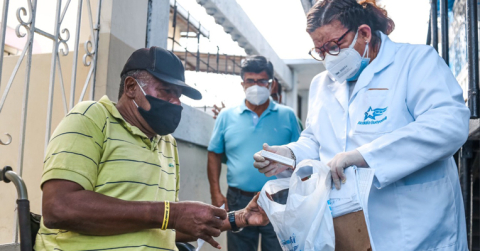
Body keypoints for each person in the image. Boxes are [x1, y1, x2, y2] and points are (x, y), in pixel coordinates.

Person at [253, 0, 469, 250]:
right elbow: (315, 139)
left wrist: (364, 156)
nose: (328, 58)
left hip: (416, 227)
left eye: (334, 46)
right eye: (320, 51)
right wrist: (289, 154)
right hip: (348, 227)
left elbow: (448, 125)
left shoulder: (415, 61)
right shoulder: (321, 84)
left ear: (364, 33)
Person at [35, 47, 269, 251]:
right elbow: (58, 208)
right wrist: (171, 213)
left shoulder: (166, 143)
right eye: (166, 90)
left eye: (178, 95)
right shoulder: (91, 118)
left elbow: (164, 226)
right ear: (131, 87)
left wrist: (239, 218)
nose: (176, 102)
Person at [207, 55, 301, 251]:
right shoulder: (226, 117)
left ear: (271, 84)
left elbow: (300, 155)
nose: (256, 85)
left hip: (279, 198)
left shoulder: (288, 115)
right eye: (251, 80)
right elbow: (214, 154)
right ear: (242, 83)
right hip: (238, 199)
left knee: (279, 248)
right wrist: (215, 193)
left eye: (262, 81)